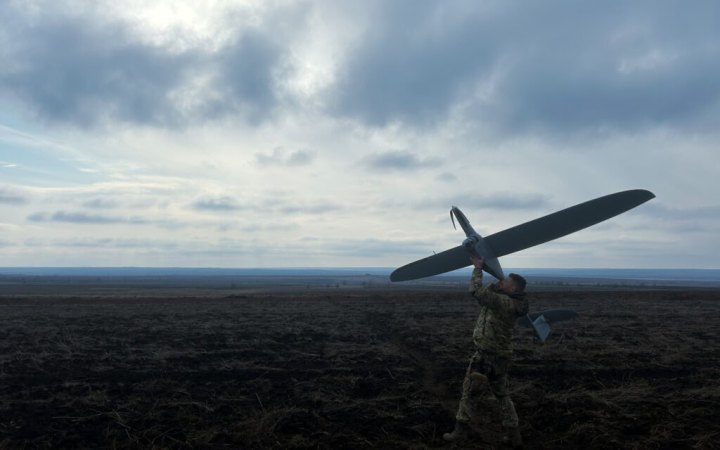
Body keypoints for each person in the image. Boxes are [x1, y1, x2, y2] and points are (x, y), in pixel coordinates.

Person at [443, 256, 528, 448]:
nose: (501, 281)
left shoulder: (504, 303)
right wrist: (495, 287)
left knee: (470, 392)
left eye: (506, 282)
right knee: (502, 394)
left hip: (486, 356)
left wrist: (478, 268)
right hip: (501, 356)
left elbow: (476, 291)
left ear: (513, 289)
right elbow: (486, 297)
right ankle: (515, 437)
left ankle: (460, 431)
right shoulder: (509, 302)